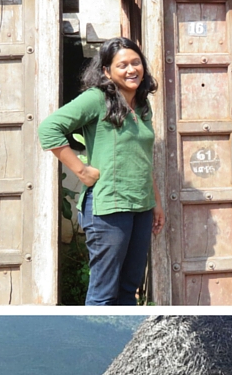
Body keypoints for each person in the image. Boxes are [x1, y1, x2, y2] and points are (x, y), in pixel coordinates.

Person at [38, 37, 163, 306]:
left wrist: (156, 203)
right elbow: (49, 128)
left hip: (140, 207)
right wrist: (81, 171)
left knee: (129, 289)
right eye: (123, 65)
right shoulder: (96, 99)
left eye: (136, 62)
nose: (132, 70)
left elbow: (143, 158)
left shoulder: (142, 105)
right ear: (107, 71)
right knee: (104, 292)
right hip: (108, 208)